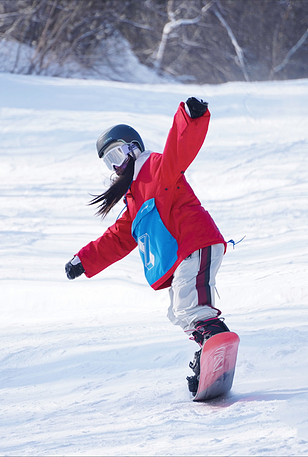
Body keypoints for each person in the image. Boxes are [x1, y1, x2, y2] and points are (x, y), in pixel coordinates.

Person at [65, 97, 231, 395]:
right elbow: (116, 238)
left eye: (117, 154)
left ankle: (214, 335)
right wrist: (83, 260)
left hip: (193, 242)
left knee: (189, 305)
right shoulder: (134, 197)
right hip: (185, 253)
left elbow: (180, 151)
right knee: (179, 310)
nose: (115, 167)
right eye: (108, 162)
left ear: (133, 149)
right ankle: (208, 349)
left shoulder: (156, 167)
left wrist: (191, 118)